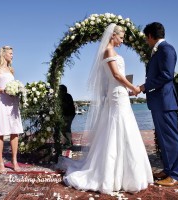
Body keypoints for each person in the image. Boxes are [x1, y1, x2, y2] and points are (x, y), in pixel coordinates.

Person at [57, 24, 153, 194]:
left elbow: (114, 79)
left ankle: (124, 172)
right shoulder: (108, 51)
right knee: (119, 127)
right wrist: (134, 88)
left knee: (123, 128)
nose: (122, 41)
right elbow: (116, 75)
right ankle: (113, 174)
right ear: (113, 36)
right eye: (121, 37)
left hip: (119, 93)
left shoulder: (111, 52)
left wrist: (128, 90)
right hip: (117, 95)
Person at [139, 22, 178, 186]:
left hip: (165, 101)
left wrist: (144, 87)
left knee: (171, 138)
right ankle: (168, 170)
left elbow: (167, 75)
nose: (146, 41)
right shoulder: (159, 51)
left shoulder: (166, 49)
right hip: (158, 102)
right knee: (164, 138)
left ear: (150, 36)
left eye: (146, 38)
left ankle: (177, 175)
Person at [0, 46, 23, 174]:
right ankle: (0, 161)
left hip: (13, 101)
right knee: (1, 132)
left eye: (12, 53)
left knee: (15, 131)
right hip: (2, 101)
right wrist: (3, 90)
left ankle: (14, 160)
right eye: (10, 53)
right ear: (4, 54)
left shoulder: (11, 70)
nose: (12, 55)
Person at [59, 84, 76, 149]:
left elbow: (65, 106)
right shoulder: (65, 96)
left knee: (66, 129)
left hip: (69, 115)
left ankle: (68, 144)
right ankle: (68, 142)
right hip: (67, 114)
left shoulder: (67, 96)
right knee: (64, 129)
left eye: (59, 90)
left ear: (63, 91)